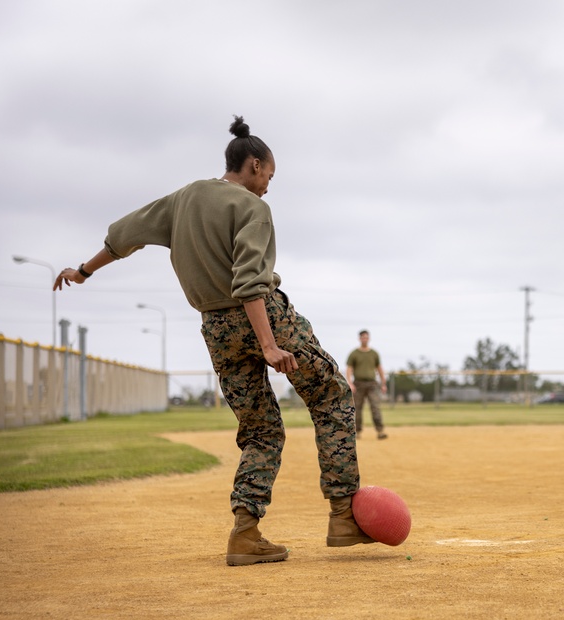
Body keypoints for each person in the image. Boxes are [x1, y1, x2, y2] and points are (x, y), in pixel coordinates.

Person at [53, 116, 374, 566]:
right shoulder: (252, 208)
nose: (268, 187)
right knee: (332, 395)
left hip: (215, 329)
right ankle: (343, 515)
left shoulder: (183, 199)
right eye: (269, 177)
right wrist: (267, 344)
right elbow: (249, 284)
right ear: (255, 166)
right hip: (264, 318)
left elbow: (124, 235)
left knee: (261, 429)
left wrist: (84, 271)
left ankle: (245, 534)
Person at [345, 330, 388, 440]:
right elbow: (349, 369)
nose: (364, 339)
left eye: (366, 337)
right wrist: (350, 383)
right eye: (362, 337)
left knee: (375, 407)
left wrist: (383, 383)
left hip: (372, 384)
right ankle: (357, 432)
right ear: (360, 339)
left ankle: (380, 431)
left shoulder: (374, 353)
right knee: (357, 409)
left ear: (368, 338)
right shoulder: (354, 353)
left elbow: (379, 368)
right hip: (358, 384)